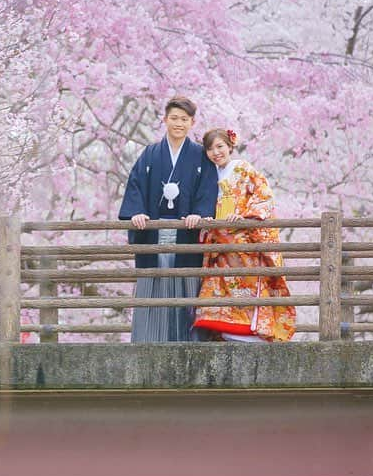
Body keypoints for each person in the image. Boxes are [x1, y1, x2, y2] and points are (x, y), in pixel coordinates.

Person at [118, 96, 217, 342]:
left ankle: (187, 344)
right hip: (154, 233)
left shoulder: (199, 155)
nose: (178, 124)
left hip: (186, 234)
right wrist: (136, 212)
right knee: (152, 288)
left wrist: (200, 213)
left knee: (185, 288)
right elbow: (136, 185)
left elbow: (208, 189)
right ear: (164, 119)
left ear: (192, 123)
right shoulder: (151, 154)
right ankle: (147, 343)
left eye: (184, 119)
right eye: (174, 118)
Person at [191, 128, 295, 342]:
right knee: (219, 288)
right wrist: (206, 218)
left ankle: (251, 330)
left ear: (230, 146)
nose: (215, 152)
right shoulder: (209, 174)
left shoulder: (243, 169)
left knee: (246, 287)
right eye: (210, 149)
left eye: (220, 146)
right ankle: (225, 329)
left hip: (243, 239)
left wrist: (244, 216)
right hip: (219, 243)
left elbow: (263, 196)